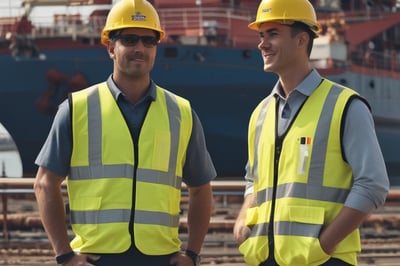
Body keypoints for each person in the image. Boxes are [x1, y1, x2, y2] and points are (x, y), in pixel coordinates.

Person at [33, 0, 216, 265]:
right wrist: (64, 255)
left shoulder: (181, 112)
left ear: (156, 48)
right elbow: (44, 183)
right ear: (110, 47)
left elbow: (201, 188)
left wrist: (192, 254)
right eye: (129, 40)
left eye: (148, 41)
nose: (139, 48)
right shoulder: (77, 109)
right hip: (97, 258)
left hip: (160, 258)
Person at [233, 0, 390, 265]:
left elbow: (373, 184)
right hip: (266, 258)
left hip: (322, 259)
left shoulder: (345, 105)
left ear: (301, 39)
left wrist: (326, 244)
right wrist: (243, 219)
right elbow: (253, 179)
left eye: (273, 34)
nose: (262, 44)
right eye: (261, 35)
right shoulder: (260, 114)